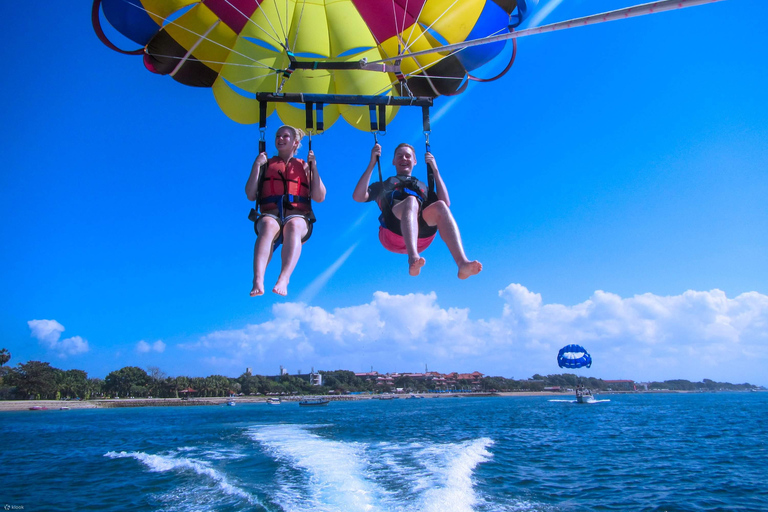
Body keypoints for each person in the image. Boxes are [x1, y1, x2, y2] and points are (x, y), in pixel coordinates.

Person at [353, 143, 482, 279]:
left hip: (421, 238)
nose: (404, 158)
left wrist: (435, 170)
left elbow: (446, 203)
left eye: (408, 156)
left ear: (415, 161)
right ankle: (413, 258)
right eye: (399, 156)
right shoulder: (383, 185)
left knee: (440, 206)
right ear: (393, 161)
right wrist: (372, 163)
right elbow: (358, 196)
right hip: (391, 233)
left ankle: (462, 263)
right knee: (411, 201)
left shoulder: (423, 187)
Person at [245, 126, 326, 296]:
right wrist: (256, 165)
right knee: (268, 224)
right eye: (278, 136)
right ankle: (258, 279)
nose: (280, 139)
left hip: (297, 216)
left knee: (294, 225)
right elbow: (250, 195)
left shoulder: (304, 166)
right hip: (271, 214)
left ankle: (284, 278)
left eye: (285, 136)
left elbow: (319, 197)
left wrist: (314, 167)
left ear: (295, 142)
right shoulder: (266, 164)